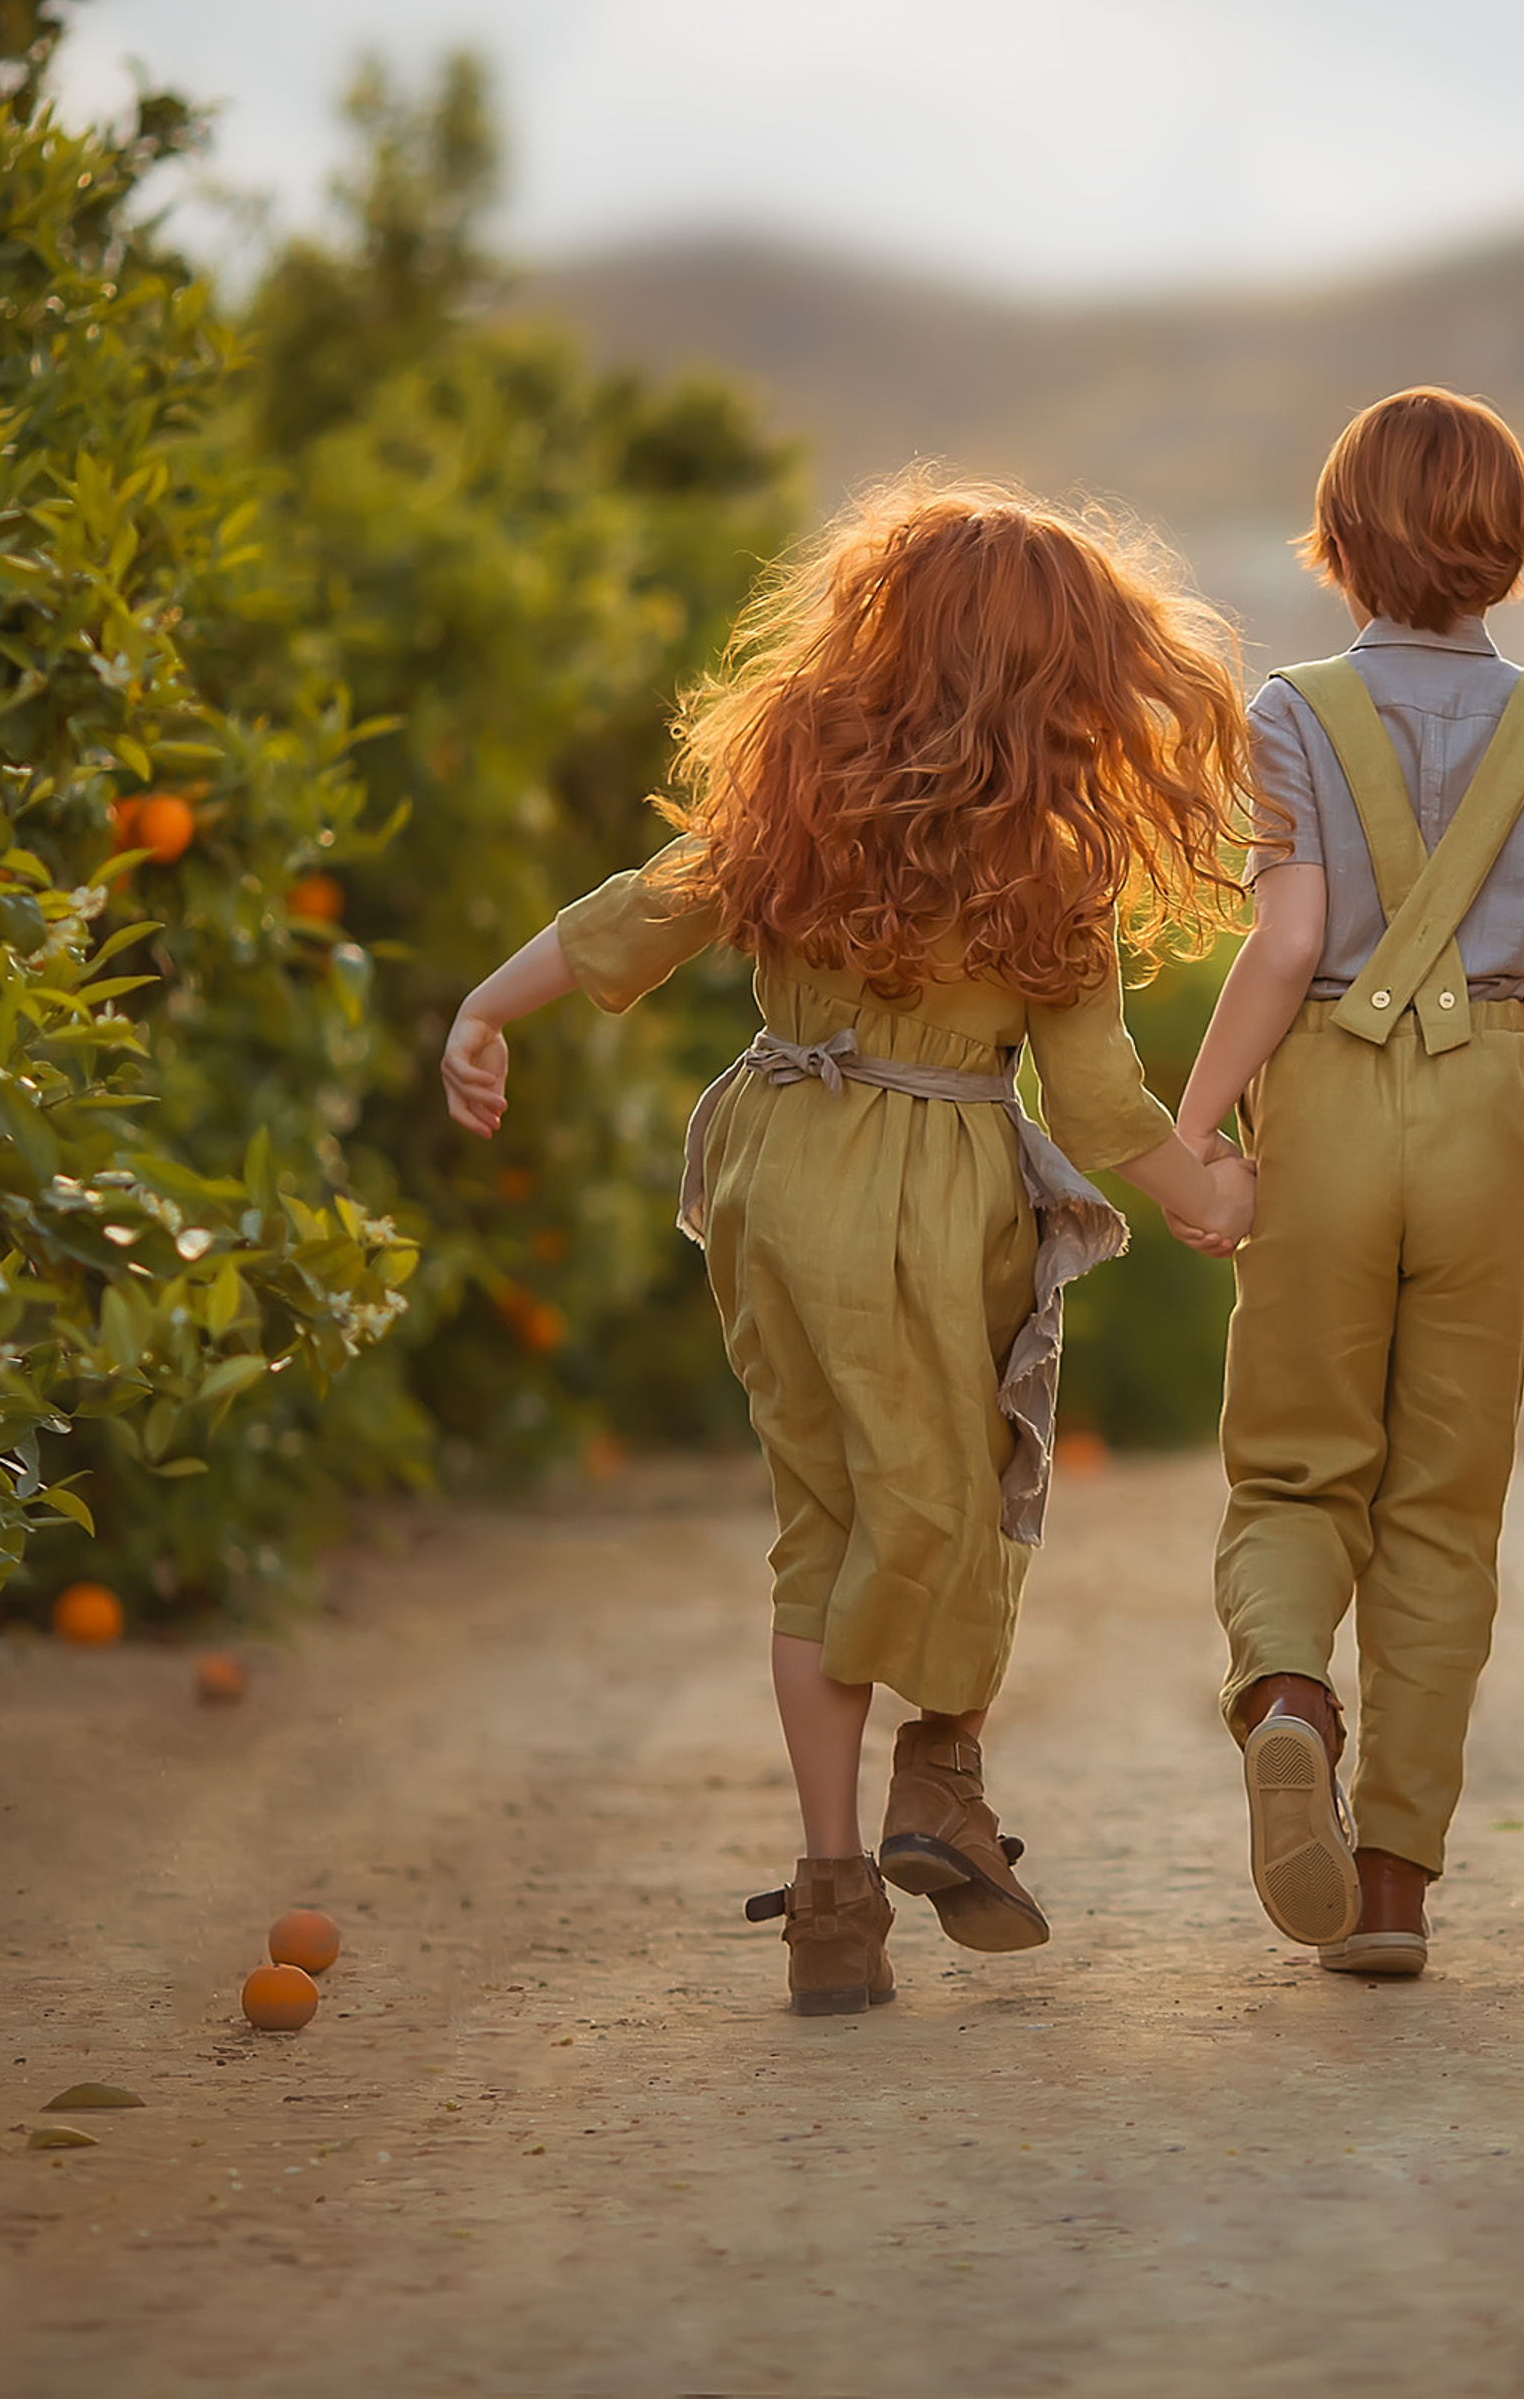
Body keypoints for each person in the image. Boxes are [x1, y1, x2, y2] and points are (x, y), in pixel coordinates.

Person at [442, 478, 1257, 2016]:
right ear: (1071, 675)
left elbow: (636, 915)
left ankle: (833, 1901)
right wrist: (1201, 1189)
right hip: (932, 1187)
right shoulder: (1051, 859)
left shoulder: (789, 796)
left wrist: (486, 1008)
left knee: (819, 1514)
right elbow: (1090, 1100)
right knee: (953, 1492)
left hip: (768, 1158)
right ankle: (939, 1775)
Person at [1169, 388, 1524, 1976]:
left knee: (1296, 1468)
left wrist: (1201, 1130)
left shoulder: (1286, 715)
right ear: (1513, 550)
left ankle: (1286, 1693)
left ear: (1338, 549)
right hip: (1490, 1098)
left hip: (1333, 1102)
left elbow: (1286, 943)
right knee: (1443, 1508)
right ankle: (1396, 1885)